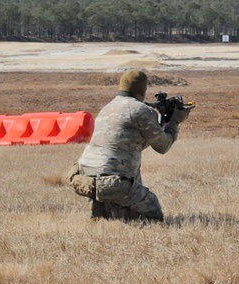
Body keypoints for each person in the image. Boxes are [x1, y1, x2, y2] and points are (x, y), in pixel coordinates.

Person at [68, 70, 190, 222]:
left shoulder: (108, 107)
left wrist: (161, 124)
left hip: (82, 177)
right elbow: (162, 147)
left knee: (119, 211)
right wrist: (176, 121)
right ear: (143, 90)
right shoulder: (139, 109)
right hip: (110, 182)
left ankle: (103, 211)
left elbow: (131, 144)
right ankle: (110, 209)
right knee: (153, 212)